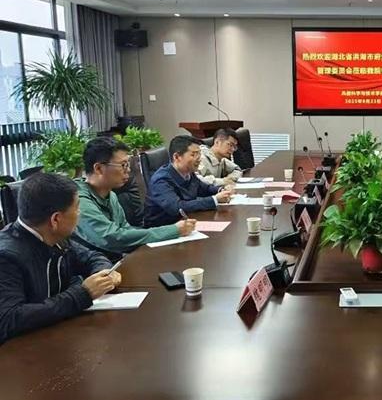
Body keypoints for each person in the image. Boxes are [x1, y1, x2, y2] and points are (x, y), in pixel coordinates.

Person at [0, 173, 121, 344]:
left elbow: (91, 257)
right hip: (24, 352)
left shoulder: (55, 236)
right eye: (77, 208)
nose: (80, 214)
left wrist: (103, 274)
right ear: (55, 219)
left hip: (59, 335)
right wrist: (83, 294)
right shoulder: (6, 256)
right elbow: (9, 319)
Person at [74, 137, 197, 257]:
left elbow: (126, 229)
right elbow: (113, 238)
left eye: (128, 164)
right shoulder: (78, 200)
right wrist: (173, 230)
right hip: (99, 267)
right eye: (123, 165)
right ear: (99, 168)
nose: (128, 170)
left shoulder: (110, 194)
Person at [144, 136, 232, 227]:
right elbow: (177, 208)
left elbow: (204, 189)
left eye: (199, 154)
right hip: (163, 229)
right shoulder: (161, 180)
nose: (199, 158)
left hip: (187, 222)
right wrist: (214, 200)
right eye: (193, 154)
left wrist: (221, 190)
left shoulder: (189, 172)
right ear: (177, 157)